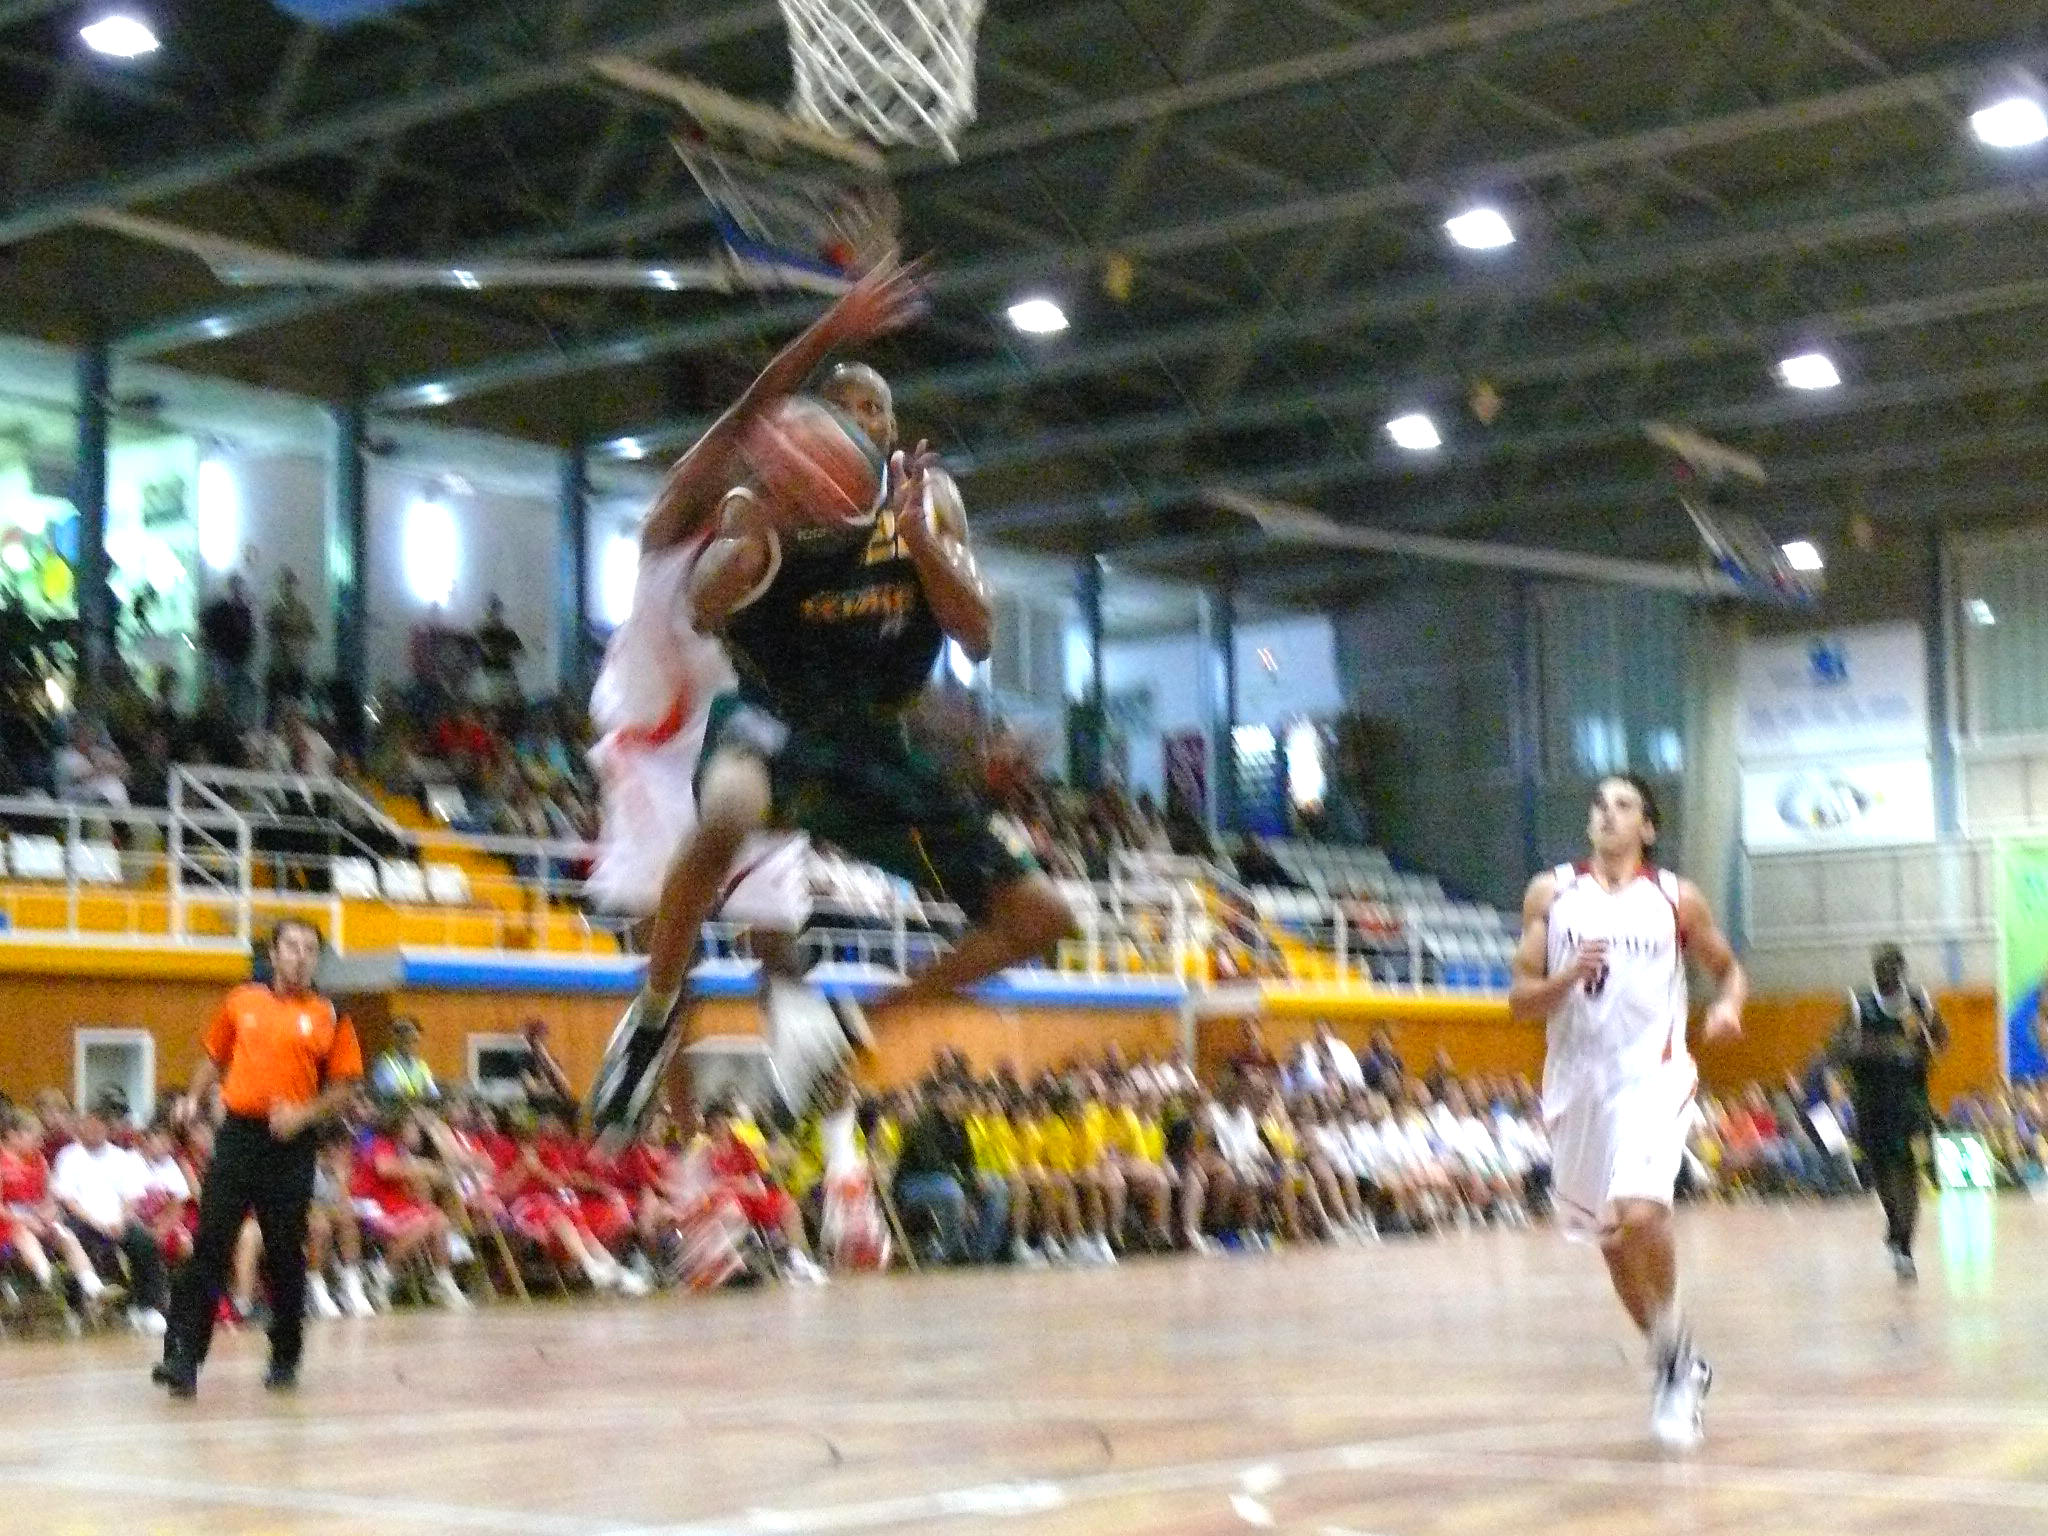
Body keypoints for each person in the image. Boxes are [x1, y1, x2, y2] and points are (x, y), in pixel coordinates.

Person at [590, 264, 1076, 1134]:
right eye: (837, 410)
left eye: (872, 411)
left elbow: (971, 641)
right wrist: (745, 555)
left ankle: (843, 1035)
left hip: (865, 747)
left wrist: (925, 552)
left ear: (890, 432)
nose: (854, 425)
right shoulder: (753, 508)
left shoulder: (923, 508)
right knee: (724, 822)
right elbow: (707, 595)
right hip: (719, 728)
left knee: (1040, 918)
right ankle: (655, 1038)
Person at [1508, 774, 1745, 1451]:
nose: (1607, 815)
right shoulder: (1552, 894)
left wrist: (1728, 1007)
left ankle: (1674, 1376)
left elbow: (1728, 969)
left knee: (1641, 1213)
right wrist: (1565, 978)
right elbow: (1519, 1000)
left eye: (1623, 805)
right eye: (1599, 805)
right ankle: (1675, 1360)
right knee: (1612, 1240)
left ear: (1648, 826)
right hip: (1578, 1084)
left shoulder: (1676, 898)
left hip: (1653, 1074)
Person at [154, 919, 364, 1398]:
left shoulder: (332, 1013)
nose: (300, 956)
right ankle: (183, 1357)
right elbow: (214, 1057)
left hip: (291, 1142)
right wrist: (193, 1097)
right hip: (238, 1136)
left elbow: (346, 1087)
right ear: (273, 953)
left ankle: (285, 1356)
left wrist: (303, 1114)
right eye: (291, 946)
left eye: (310, 949)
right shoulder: (241, 1000)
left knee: (286, 1251)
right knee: (211, 1243)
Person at [1830, 943, 1947, 1281]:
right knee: (1882, 1170)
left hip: (1910, 1097)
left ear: (1902, 970)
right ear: (1875, 972)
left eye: (1892, 968)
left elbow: (1942, 1039)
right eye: (1881, 969)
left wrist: (1925, 1039)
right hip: (1872, 1099)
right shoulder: (1859, 1004)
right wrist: (1882, 1048)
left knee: (1908, 1169)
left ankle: (1905, 1246)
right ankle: (1895, 1225)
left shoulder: (1919, 1001)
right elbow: (1838, 1048)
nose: (1886, 974)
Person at [51, 1095, 168, 1333]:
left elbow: (131, 1198)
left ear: (106, 1128)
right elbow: (68, 1201)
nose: (91, 1129)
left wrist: (121, 1221)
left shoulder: (121, 1158)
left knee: (144, 1242)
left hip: (117, 1222)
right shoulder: (68, 1156)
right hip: (83, 1220)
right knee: (72, 1235)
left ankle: (146, 1308)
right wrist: (98, 1223)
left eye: (97, 1125)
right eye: (87, 1124)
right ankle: (81, 1300)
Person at [370, 1017, 440, 1103]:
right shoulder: (384, 1063)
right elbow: (392, 1093)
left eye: (415, 1041)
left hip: (420, 1108)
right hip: (396, 1109)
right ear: (396, 1040)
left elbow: (433, 1094)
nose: (413, 1046)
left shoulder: (421, 1065)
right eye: (408, 1041)